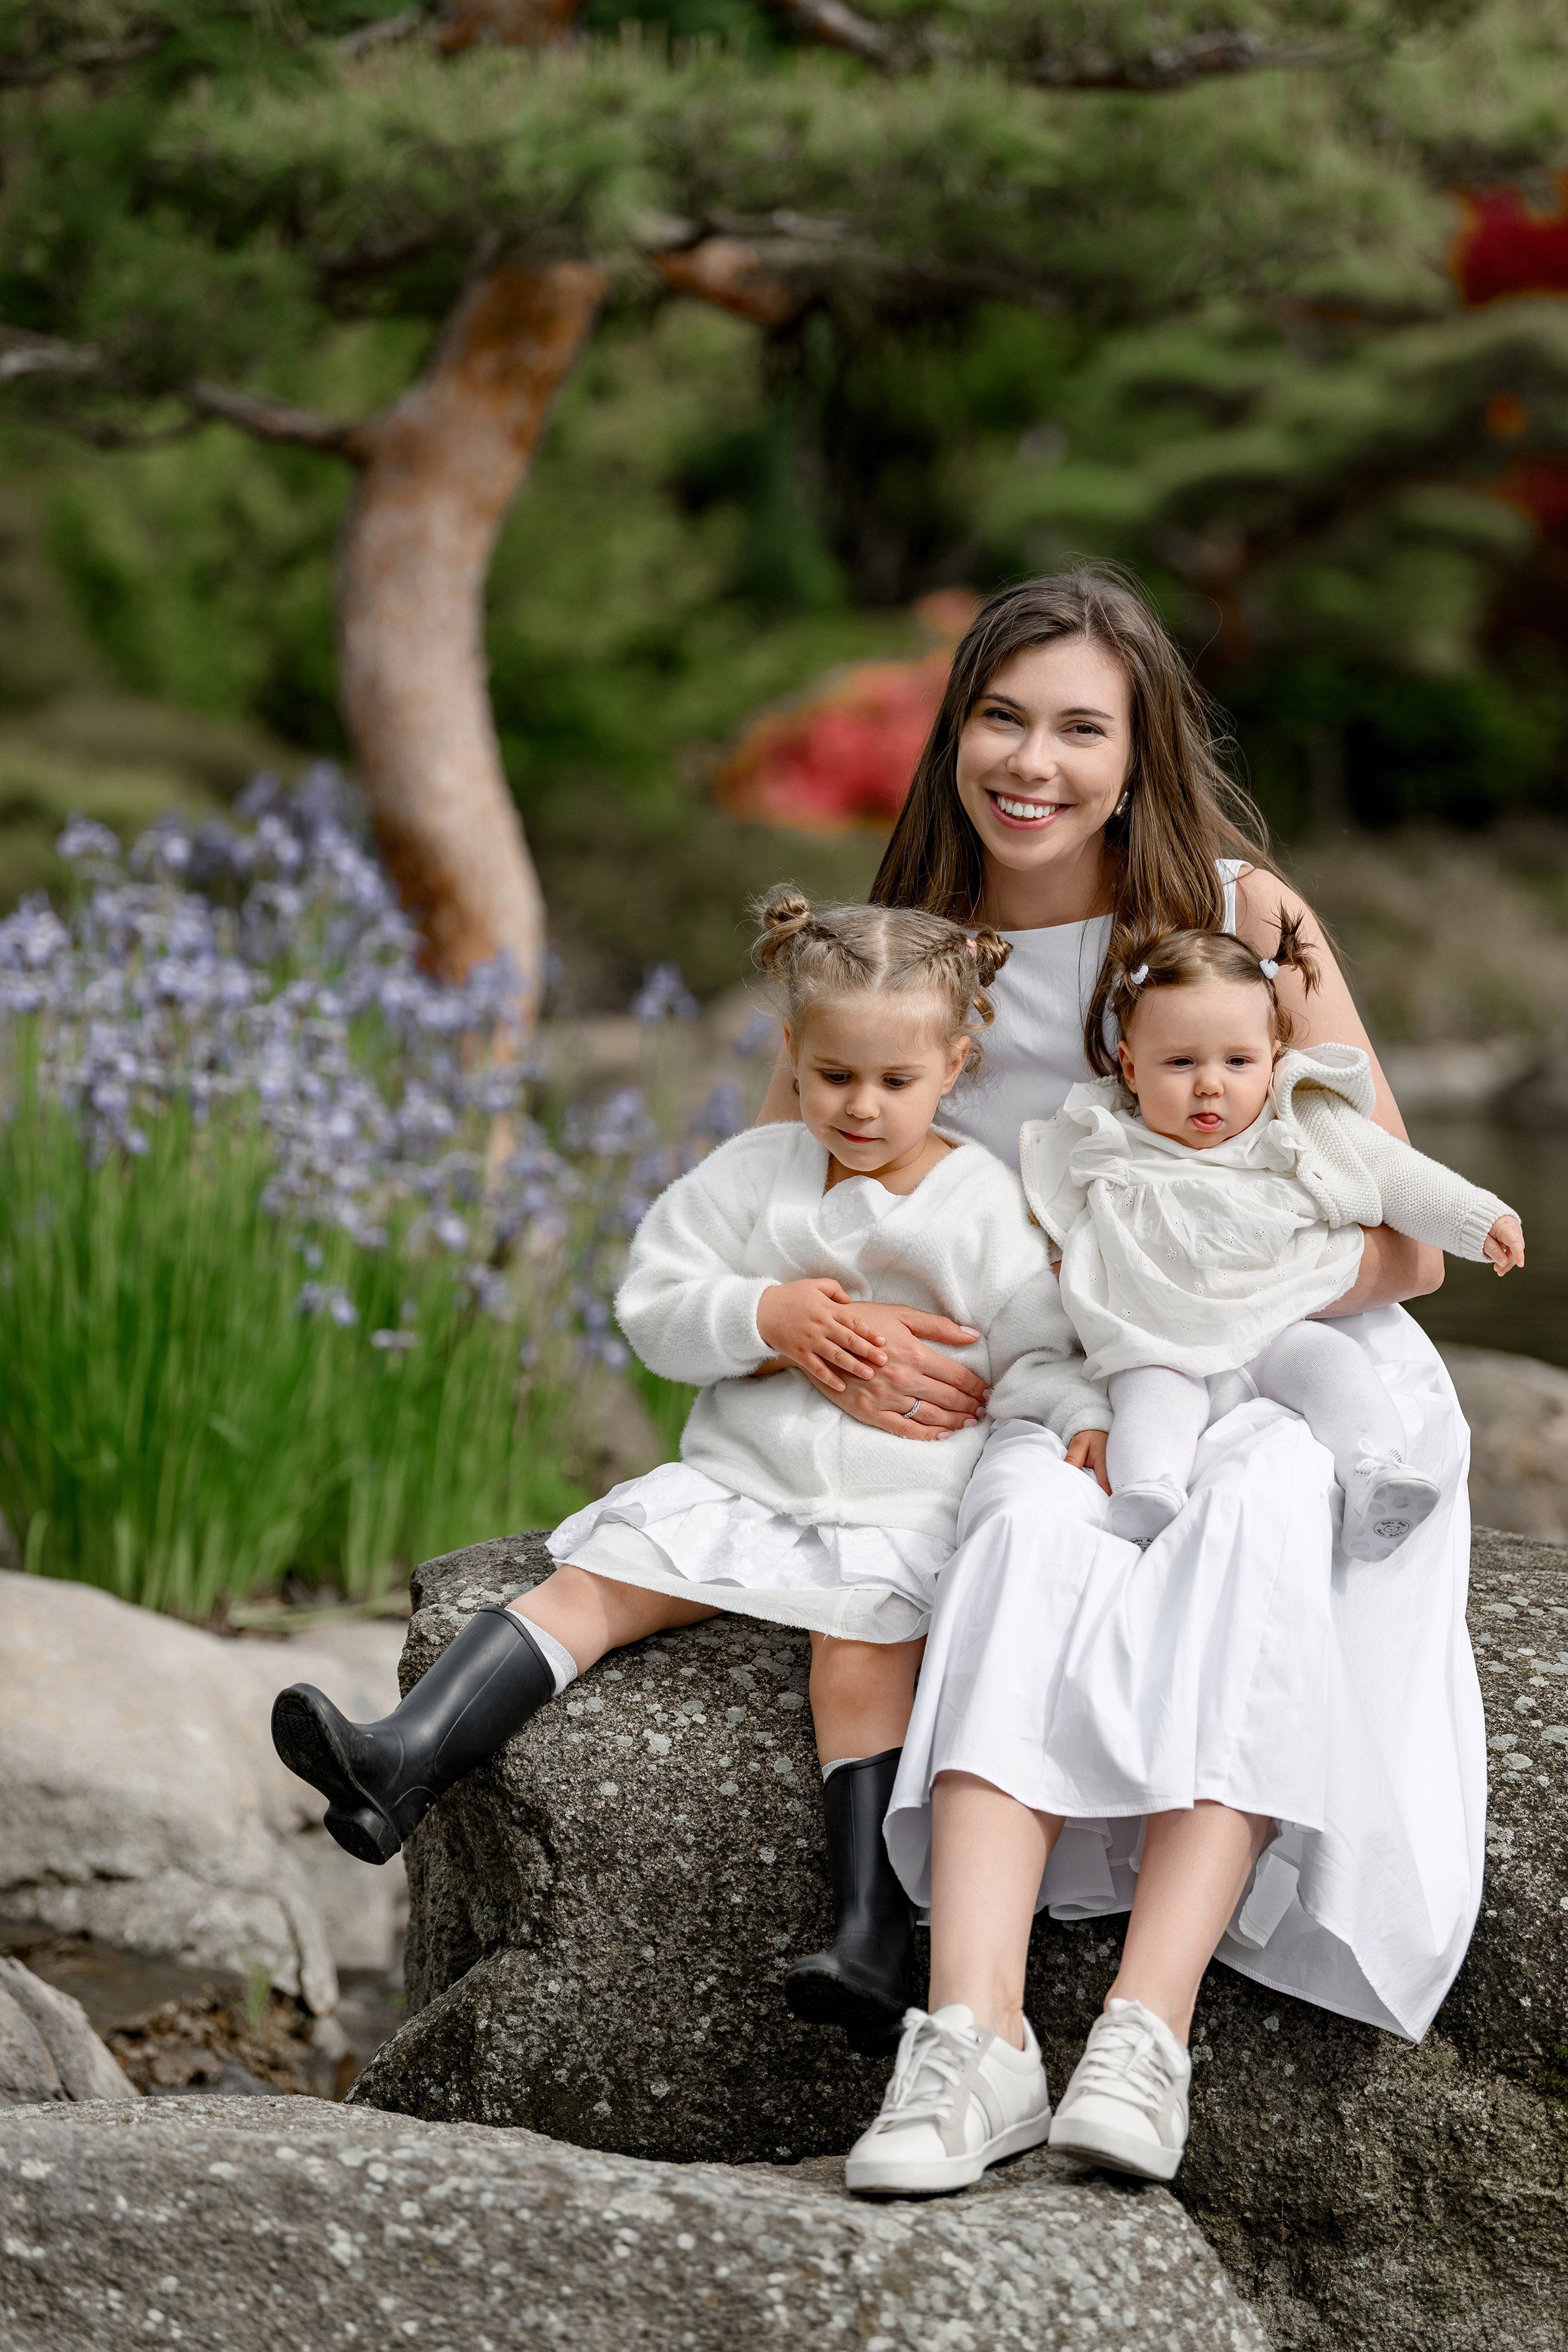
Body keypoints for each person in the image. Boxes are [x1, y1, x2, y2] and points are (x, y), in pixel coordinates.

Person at [742, 567, 1484, 2199]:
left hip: (1291, 1353)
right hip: (1066, 1372)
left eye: (1081, 726)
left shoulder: (1241, 916)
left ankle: (1142, 2036)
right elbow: (808, 1198)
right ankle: (972, 2036)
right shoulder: (907, 956)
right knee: (1018, 1524)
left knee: (1255, 1507)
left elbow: (1401, 1235)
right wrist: (799, 1314)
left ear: (1139, 750)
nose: (1034, 760)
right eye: (1000, 717)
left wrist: (1211, 1313)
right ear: (952, 735)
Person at [271, 890, 1108, 2055]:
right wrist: (760, 1313)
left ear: (956, 1066)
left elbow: (1033, 1349)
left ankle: (871, 1940)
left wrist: (1077, 1417)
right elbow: (655, 1309)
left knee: (860, 1660)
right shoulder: (752, 1175)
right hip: (746, 1479)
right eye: (833, 1078)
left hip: (895, 1503)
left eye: (894, 1083)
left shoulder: (981, 1208)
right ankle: (401, 1759)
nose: (860, 1109)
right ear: (792, 1058)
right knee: (596, 1581)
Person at [1022, 917, 1524, 1556]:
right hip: (1161, 1338)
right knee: (1148, 1394)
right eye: (1179, 1062)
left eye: (1238, 1061)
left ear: (1275, 1061)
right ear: (1130, 1066)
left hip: (1278, 1327)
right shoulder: (1103, 1143)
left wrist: (1480, 1221)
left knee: (1334, 1365)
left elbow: (1400, 1175)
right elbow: (1054, 1239)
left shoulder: (1300, 1126)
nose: (1210, 1083)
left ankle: (1375, 1473)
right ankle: (1148, 1493)